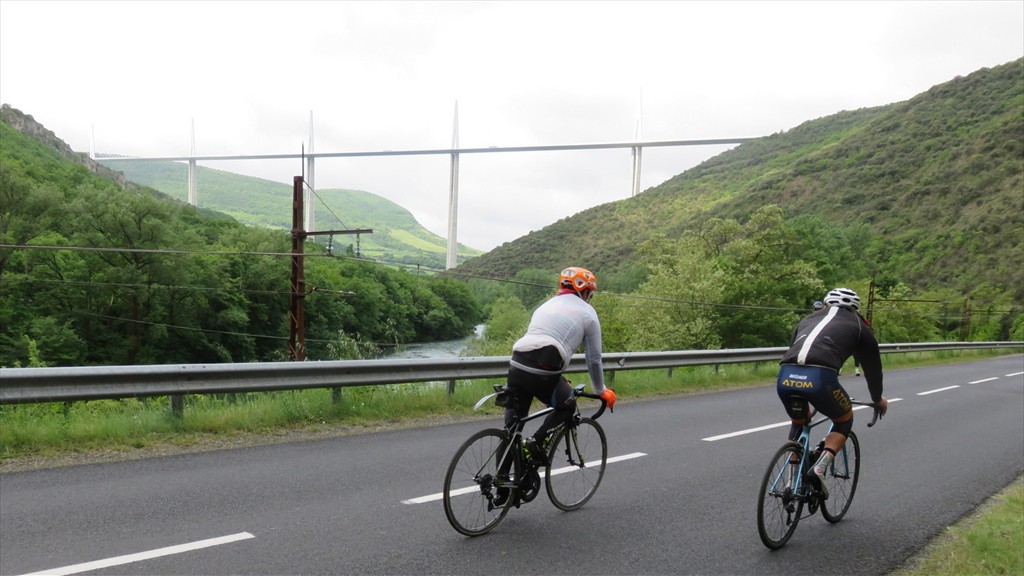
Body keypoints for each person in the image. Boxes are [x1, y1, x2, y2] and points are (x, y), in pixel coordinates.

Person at [494, 267, 616, 505]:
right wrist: (602, 391)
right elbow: (593, 359)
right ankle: (535, 443)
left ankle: (500, 485)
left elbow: (544, 339)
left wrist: (559, 379)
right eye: (591, 292)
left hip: (518, 362)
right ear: (585, 291)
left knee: (511, 429)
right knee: (567, 405)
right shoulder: (588, 313)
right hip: (546, 364)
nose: (591, 296)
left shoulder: (545, 306)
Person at [776, 287, 888, 498]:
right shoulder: (859, 325)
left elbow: (794, 349)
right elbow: (873, 370)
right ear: (855, 309)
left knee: (800, 421)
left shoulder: (808, 319)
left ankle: (791, 481)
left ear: (826, 304)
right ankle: (820, 467)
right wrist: (877, 399)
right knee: (844, 418)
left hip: (785, 376)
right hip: (821, 379)